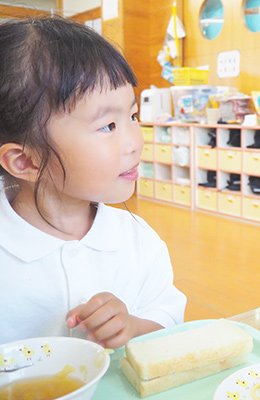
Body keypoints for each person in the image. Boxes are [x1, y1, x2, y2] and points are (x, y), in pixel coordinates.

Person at [0, 16, 186, 349]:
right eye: (107, 126)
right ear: (26, 161)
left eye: (132, 117)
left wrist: (132, 326)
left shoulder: (138, 240)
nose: (135, 142)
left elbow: (168, 317)